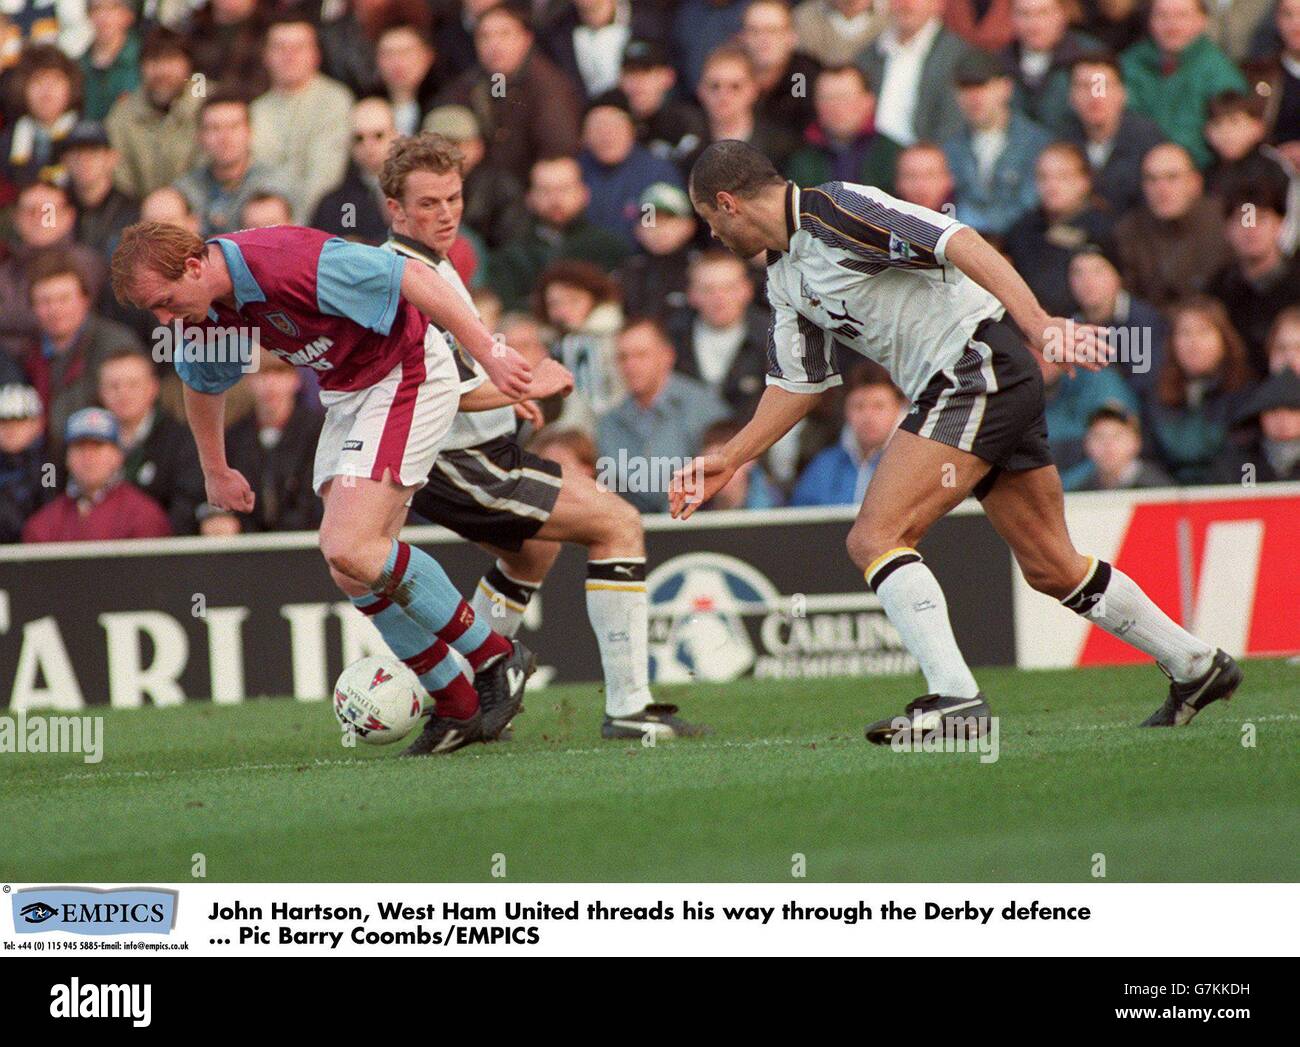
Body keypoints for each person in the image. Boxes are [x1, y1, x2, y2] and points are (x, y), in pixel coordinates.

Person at [673, 139, 1241, 741]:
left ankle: (956, 699)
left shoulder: (836, 210)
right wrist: (728, 459)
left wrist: (1039, 324)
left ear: (728, 203)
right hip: (978, 382)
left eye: (708, 221)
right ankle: (1196, 665)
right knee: (1052, 567)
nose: (711, 236)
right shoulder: (784, 275)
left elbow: (957, 240)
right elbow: (800, 385)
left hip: (975, 367)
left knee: (875, 537)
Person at [108, 219, 541, 756]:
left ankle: (496, 658)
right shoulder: (201, 315)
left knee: (349, 544)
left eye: (166, 302)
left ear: (195, 266)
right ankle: (456, 704)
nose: (164, 318)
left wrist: (488, 350)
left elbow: (412, 275)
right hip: (350, 391)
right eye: (154, 310)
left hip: (407, 370)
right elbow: (199, 382)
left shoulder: (283, 261)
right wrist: (215, 469)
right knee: (349, 567)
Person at [383, 132, 705, 740]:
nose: (446, 212)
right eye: (428, 203)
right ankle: (629, 707)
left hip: (472, 449)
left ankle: (475, 706)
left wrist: (509, 394)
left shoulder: (433, 265)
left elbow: (450, 370)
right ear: (396, 210)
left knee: (533, 551)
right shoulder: (404, 277)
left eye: (453, 198)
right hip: (457, 459)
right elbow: (428, 389)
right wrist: (526, 384)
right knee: (618, 524)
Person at [599, 316, 730, 513]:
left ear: (667, 356)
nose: (630, 365)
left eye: (641, 355)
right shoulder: (608, 422)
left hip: (696, 524)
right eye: (623, 357)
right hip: (632, 527)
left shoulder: (703, 409)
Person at [1120, 0, 1247, 169]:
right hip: (1136, 168)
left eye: (1182, 16)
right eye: (1162, 15)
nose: (1172, 25)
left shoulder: (1220, 72)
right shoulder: (1129, 64)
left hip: (1198, 171)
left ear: (1202, 21)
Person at [1143, 296, 1256, 484]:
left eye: (1204, 332)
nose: (1193, 343)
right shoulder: (1157, 393)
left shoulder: (1246, 393)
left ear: (1223, 339)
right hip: (1167, 498)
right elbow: (1149, 455)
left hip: (1223, 496)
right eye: (1185, 333)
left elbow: (1243, 461)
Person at [943, 47, 1053, 235]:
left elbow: (1032, 204)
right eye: (965, 88)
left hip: (1020, 246)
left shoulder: (1037, 143)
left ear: (1006, 88)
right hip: (965, 248)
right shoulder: (948, 147)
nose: (974, 97)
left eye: (983, 86)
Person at [96, 346, 205, 535]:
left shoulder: (181, 441)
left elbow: (187, 504)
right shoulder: (86, 441)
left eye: (132, 384)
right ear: (101, 392)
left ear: (153, 388)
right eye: (114, 386)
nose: (123, 393)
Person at [22, 405, 172, 542]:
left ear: (118, 456)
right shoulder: (44, 523)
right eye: (80, 447)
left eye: (97, 446)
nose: (88, 456)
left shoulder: (144, 517)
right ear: (67, 457)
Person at [1113, 142, 1233, 309]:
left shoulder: (1225, 220)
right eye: (1152, 179)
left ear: (1195, 183)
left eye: (1172, 177)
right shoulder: (1129, 230)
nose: (1161, 189)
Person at [216, 350, 324, 534]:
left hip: (305, 543)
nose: (270, 383)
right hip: (248, 550)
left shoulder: (317, 431)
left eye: (280, 372)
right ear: (248, 380)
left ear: (296, 379)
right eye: (260, 374)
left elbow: (315, 499)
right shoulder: (233, 437)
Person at [1064, 51, 1166, 216]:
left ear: (1122, 93)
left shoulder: (1148, 141)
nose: (1095, 96)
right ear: (1071, 96)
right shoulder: (1063, 144)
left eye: (1102, 86)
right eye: (1084, 86)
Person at [791, 362, 907, 505]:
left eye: (879, 406)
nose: (868, 417)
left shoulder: (916, 464)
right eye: (859, 406)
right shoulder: (823, 467)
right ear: (846, 410)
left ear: (898, 409)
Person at [785, 65, 902, 191]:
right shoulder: (799, 159)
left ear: (868, 102)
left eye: (844, 97)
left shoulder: (896, 157)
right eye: (827, 98)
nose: (836, 107)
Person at [1064, 402, 1173, 490]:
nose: (1108, 444)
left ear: (1136, 442)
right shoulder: (1082, 491)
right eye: (1099, 436)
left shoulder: (1159, 490)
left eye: (1117, 436)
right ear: (1086, 444)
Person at [0, 382, 53, 543]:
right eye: (4, 421)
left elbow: (48, 512)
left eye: (20, 420)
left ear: (38, 423)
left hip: (32, 549)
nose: (11, 429)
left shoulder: (48, 466)